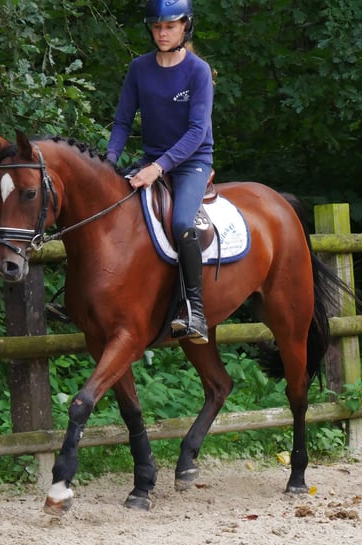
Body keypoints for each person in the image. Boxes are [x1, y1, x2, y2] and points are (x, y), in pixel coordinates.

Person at [106, 0, 214, 344]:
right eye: (156, 27)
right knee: (103, 210)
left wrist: (159, 167)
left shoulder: (197, 71)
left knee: (182, 222)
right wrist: (109, 161)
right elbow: (123, 121)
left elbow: (197, 131)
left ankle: (195, 311)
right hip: (151, 160)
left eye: (169, 26)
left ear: (185, 27)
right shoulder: (139, 68)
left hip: (191, 163)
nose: (162, 33)